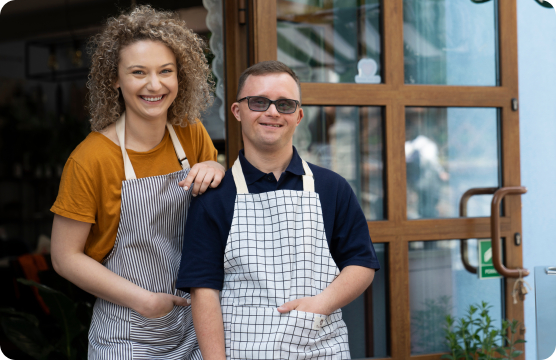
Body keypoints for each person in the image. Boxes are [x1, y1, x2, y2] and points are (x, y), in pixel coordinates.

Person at [50, 6, 224, 359]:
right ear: (114, 79)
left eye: (166, 71)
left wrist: (215, 166)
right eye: (138, 72)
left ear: (181, 76)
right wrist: (144, 301)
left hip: (195, 324)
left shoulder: (191, 134)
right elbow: (65, 257)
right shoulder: (91, 158)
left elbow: (213, 204)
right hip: (127, 331)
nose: (155, 85)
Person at [177, 60, 381, 359]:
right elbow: (203, 290)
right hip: (242, 350)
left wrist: (321, 303)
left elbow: (361, 263)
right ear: (237, 111)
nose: (272, 112)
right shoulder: (214, 196)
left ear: (298, 116)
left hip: (321, 347)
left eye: (284, 104)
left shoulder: (332, 187)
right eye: (259, 102)